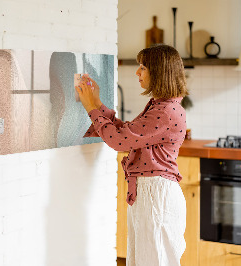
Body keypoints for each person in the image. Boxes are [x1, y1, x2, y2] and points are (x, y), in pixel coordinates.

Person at [76, 44, 188, 266]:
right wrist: (97, 104)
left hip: (156, 195)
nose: (137, 72)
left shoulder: (165, 111)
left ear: (159, 72)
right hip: (151, 193)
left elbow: (119, 141)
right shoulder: (161, 106)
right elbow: (127, 133)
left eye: (143, 67)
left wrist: (91, 108)